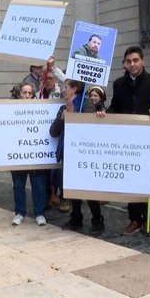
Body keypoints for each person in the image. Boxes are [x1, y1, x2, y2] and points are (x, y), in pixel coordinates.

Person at [104, 46, 150, 237]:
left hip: (147, 142)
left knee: (148, 182)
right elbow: (115, 107)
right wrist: (104, 113)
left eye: (135, 60)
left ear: (143, 60)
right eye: (128, 61)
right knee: (129, 181)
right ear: (124, 63)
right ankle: (134, 220)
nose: (132, 64)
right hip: (127, 142)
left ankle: (149, 220)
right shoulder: (119, 84)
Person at [51, 79, 105, 235]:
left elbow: (88, 128)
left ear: (74, 89)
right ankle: (76, 217)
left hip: (84, 153)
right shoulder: (62, 108)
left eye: (66, 87)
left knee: (88, 187)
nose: (62, 89)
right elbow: (53, 132)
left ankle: (97, 219)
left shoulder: (87, 104)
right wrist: (62, 118)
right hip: (68, 153)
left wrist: (73, 115)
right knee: (72, 187)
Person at [9, 82, 49, 226]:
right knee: (18, 185)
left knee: (38, 186)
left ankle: (39, 213)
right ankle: (19, 213)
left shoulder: (40, 108)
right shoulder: (9, 110)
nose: (27, 95)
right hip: (18, 156)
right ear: (19, 94)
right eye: (24, 93)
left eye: (30, 93)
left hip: (35, 155)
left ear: (33, 95)